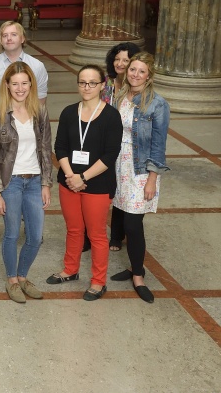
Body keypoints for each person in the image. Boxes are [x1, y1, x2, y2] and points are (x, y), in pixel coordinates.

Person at [49, 64, 122, 301]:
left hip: (97, 184)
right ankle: (70, 270)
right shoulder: (69, 112)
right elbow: (59, 147)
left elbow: (111, 155)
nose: (87, 87)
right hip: (68, 182)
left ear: (102, 85)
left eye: (92, 82)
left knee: (97, 233)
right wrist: (71, 176)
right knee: (73, 229)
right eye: (82, 82)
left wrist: (83, 178)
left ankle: (98, 282)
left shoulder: (111, 116)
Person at [0, 21, 48, 239]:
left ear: (23, 38)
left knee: (25, 172)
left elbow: (41, 102)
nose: (9, 38)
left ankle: (29, 220)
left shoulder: (37, 67)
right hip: (0, 128)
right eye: (4, 35)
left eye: (13, 34)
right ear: (0, 40)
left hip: (26, 127)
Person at [0, 62, 52, 303]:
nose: (20, 88)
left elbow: (46, 148)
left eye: (25, 83)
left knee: (35, 236)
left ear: (31, 85)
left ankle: (23, 277)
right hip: (10, 182)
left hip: (34, 181)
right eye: (15, 83)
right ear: (7, 85)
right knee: (12, 234)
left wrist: (46, 183)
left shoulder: (39, 111)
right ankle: (12, 280)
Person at [109, 53, 170, 303]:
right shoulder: (122, 94)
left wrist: (152, 179)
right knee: (122, 217)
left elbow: (159, 144)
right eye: (132, 69)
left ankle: (138, 275)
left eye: (141, 71)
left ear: (150, 75)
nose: (134, 74)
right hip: (117, 164)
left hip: (140, 169)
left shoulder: (157, 104)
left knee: (134, 225)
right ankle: (133, 266)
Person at [99, 41, 142, 252]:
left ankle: (117, 235)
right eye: (117, 58)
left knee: (124, 187)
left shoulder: (136, 87)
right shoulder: (105, 83)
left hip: (127, 145)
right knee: (109, 187)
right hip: (105, 140)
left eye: (126, 59)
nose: (120, 63)